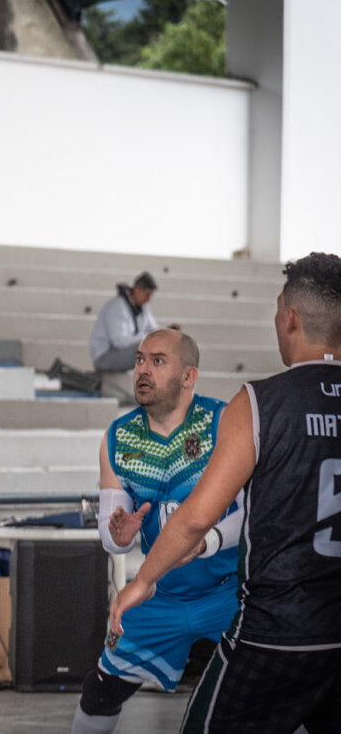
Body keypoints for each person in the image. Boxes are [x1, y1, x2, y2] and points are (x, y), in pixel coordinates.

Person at [110, 252, 341, 733]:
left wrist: (143, 580)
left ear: (290, 317)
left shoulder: (256, 403)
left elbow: (196, 516)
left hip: (275, 633)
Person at [71, 329, 241, 734]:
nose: (143, 370)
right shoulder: (117, 437)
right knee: (99, 692)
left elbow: (254, 514)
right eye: (140, 360)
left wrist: (204, 542)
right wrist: (122, 535)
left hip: (232, 592)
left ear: (189, 376)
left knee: (282, 689)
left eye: (158, 361)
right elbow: (111, 536)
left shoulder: (225, 421)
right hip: (159, 591)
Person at [90, 272, 161, 373]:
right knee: (146, 348)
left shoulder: (144, 308)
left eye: (150, 296)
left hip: (123, 353)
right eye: (146, 295)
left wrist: (166, 333)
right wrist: (146, 337)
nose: (148, 300)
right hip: (104, 357)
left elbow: (153, 329)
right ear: (137, 289)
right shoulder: (117, 306)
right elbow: (119, 342)